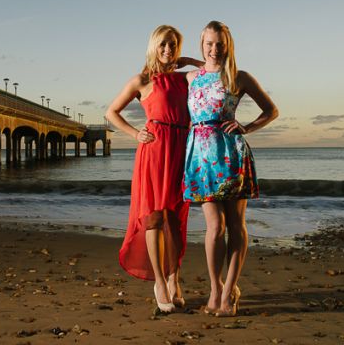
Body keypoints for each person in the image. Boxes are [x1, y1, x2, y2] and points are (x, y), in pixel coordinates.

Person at [182, 20, 278, 317]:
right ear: (202, 44)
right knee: (214, 228)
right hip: (200, 156)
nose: (214, 49)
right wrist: (190, 60)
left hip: (231, 155)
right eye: (209, 43)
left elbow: (271, 110)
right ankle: (216, 288)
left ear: (229, 45)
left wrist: (247, 128)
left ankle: (228, 293)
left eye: (220, 44)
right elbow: (160, 66)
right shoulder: (190, 78)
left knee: (235, 225)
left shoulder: (239, 76)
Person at [105, 25, 202, 313]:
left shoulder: (186, 78)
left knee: (176, 219)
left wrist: (190, 62)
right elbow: (111, 112)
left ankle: (174, 278)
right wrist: (135, 134)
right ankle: (159, 282)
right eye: (163, 44)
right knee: (154, 218)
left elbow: (215, 70)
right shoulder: (142, 80)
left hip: (181, 149)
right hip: (155, 151)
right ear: (153, 46)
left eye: (173, 45)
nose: (168, 50)